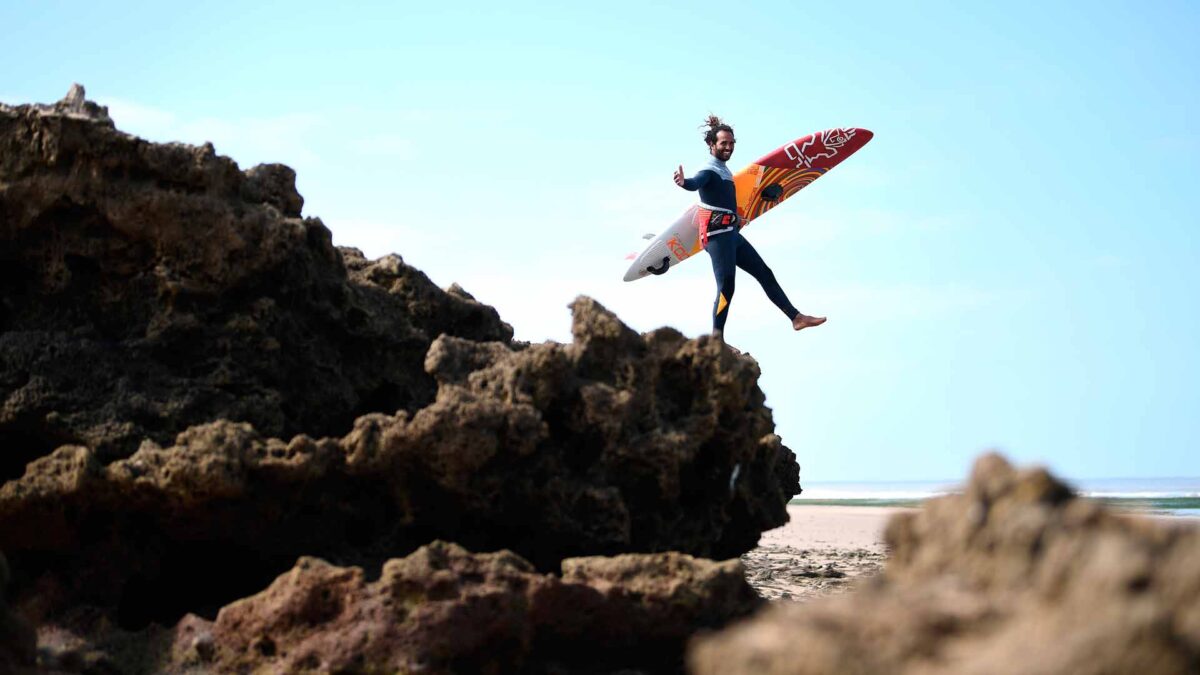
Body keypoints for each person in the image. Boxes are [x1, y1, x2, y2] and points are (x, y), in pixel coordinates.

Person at [673, 115, 826, 339]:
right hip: (717, 237)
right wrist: (684, 183)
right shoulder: (708, 169)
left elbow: (724, 202)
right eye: (723, 143)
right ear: (711, 145)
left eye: (731, 143)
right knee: (727, 287)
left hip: (731, 234)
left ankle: (796, 318)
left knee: (764, 273)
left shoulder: (725, 171)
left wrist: (737, 218)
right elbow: (696, 183)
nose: (728, 147)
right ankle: (717, 339)